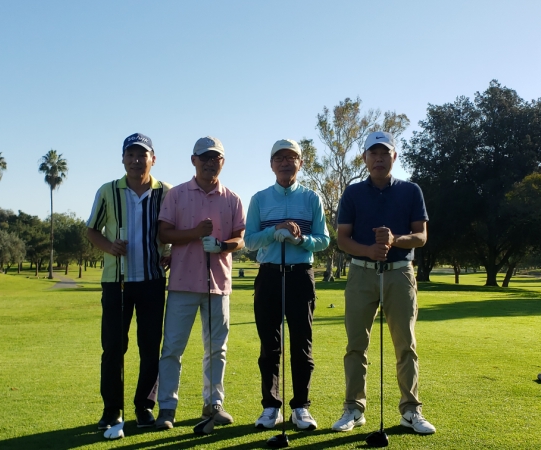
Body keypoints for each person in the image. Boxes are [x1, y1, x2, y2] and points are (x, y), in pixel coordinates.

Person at [332, 131, 436, 434]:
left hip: (400, 273)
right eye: (373, 153)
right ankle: (353, 408)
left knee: (406, 345)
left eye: (384, 153)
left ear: (394, 157)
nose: (379, 159)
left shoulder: (411, 191)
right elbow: (342, 239)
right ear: (364, 158)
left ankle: (411, 410)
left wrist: (394, 240)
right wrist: (369, 251)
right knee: (356, 345)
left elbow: (421, 236)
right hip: (361, 273)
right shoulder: (353, 193)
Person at [155, 136, 245, 430]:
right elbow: (164, 233)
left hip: (218, 285)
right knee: (172, 348)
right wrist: (195, 233)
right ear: (193, 160)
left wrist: (222, 245)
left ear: (222, 162)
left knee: (217, 349)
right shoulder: (177, 195)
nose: (210, 162)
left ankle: (213, 403)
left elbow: (240, 239)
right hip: (182, 283)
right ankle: (167, 407)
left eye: (215, 158)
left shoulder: (232, 198)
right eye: (204, 157)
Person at [86, 132, 171, 430]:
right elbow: (92, 230)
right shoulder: (108, 191)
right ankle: (112, 410)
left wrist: (170, 252)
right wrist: (109, 247)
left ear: (153, 159)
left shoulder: (166, 192)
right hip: (116, 281)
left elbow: (172, 231)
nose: (136, 160)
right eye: (130, 155)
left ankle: (144, 407)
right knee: (113, 348)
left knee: (150, 347)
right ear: (123, 159)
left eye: (142, 155)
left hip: (152, 280)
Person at [245, 139, 330, 431]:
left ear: (300, 163)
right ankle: (271, 407)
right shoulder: (259, 199)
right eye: (279, 158)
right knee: (270, 346)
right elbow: (250, 241)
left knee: (302, 344)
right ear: (272, 165)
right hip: (269, 275)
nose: (285, 162)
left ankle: (301, 407)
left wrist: (300, 239)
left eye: (291, 157)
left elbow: (323, 240)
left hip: (300, 275)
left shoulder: (311, 198)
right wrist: (275, 231)